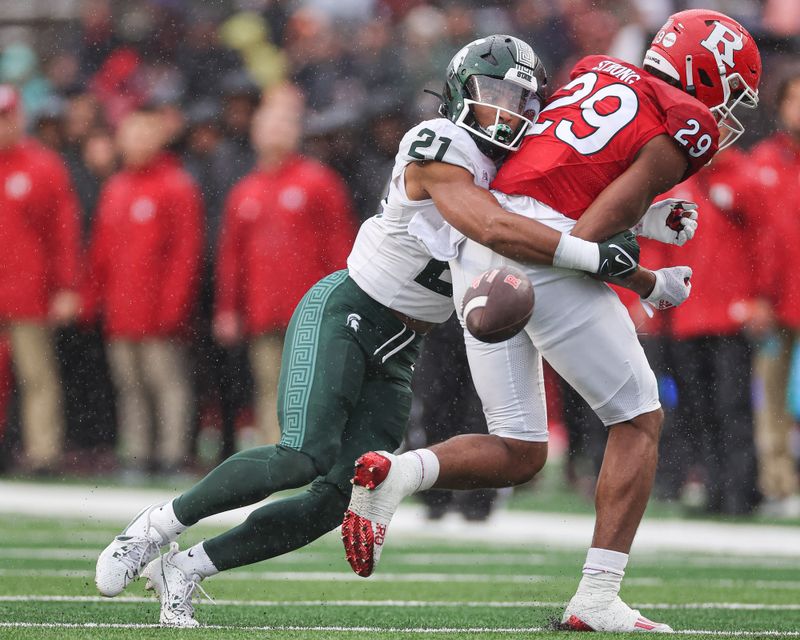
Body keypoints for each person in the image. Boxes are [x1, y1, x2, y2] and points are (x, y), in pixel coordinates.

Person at [94, 35, 684, 628]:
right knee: (303, 454)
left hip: (403, 347)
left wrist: (649, 225)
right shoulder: (437, 144)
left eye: (521, 100)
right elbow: (492, 226)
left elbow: (555, 216)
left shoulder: (518, 159)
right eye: (494, 95)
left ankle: (187, 568)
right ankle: (152, 529)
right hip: (349, 312)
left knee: (336, 497)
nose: (507, 111)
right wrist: (596, 257)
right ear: (458, 92)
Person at [342, 11, 761, 634]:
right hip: (535, 251)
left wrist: (635, 227)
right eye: (731, 93)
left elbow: (555, 174)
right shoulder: (688, 120)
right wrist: (618, 268)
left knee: (519, 449)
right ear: (705, 73)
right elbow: (604, 214)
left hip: (479, 241)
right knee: (639, 418)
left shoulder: (595, 69)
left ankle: (397, 474)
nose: (727, 114)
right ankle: (596, 596)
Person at [213, 84, 358, 446]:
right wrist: (228, 308)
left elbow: (340, 245)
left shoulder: (319, 182)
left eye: (283, 126)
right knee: (270, 386)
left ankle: (317, 453)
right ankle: (275, 456)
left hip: (312, 309)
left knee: (315, 383)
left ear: (296, 133)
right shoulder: (244, 191)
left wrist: (345, 300)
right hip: (262, 309)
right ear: (255, 133)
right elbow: (232, 256)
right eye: (268, 126)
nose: (275, 133)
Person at [82, 107, 203, 477]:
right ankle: (136, 455)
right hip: (121, 310)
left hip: (158, 312)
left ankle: (171, 454)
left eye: (142, 134)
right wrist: (93, 299)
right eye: (129, 135)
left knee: (167, 384)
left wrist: (173, 305)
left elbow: (186, 254)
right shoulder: (116, 188)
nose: (135, 142)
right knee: (130, 387)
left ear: (158, 139)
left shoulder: (177, 186)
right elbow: (101, 252)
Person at [0, 84, 81, 475]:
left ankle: (43, 453)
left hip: (27, 291)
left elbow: (62, 233)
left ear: (18, 118)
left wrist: (65, 286)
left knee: (37, 376)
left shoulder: (43, 166)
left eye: (5, 117)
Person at [747, 67, 800, 518]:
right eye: (795, 99)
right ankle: (779, 483)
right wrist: (757, 295)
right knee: (771, 396)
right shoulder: (762, 161)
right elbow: (757, 239)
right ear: (779, 106)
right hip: (776, 298)